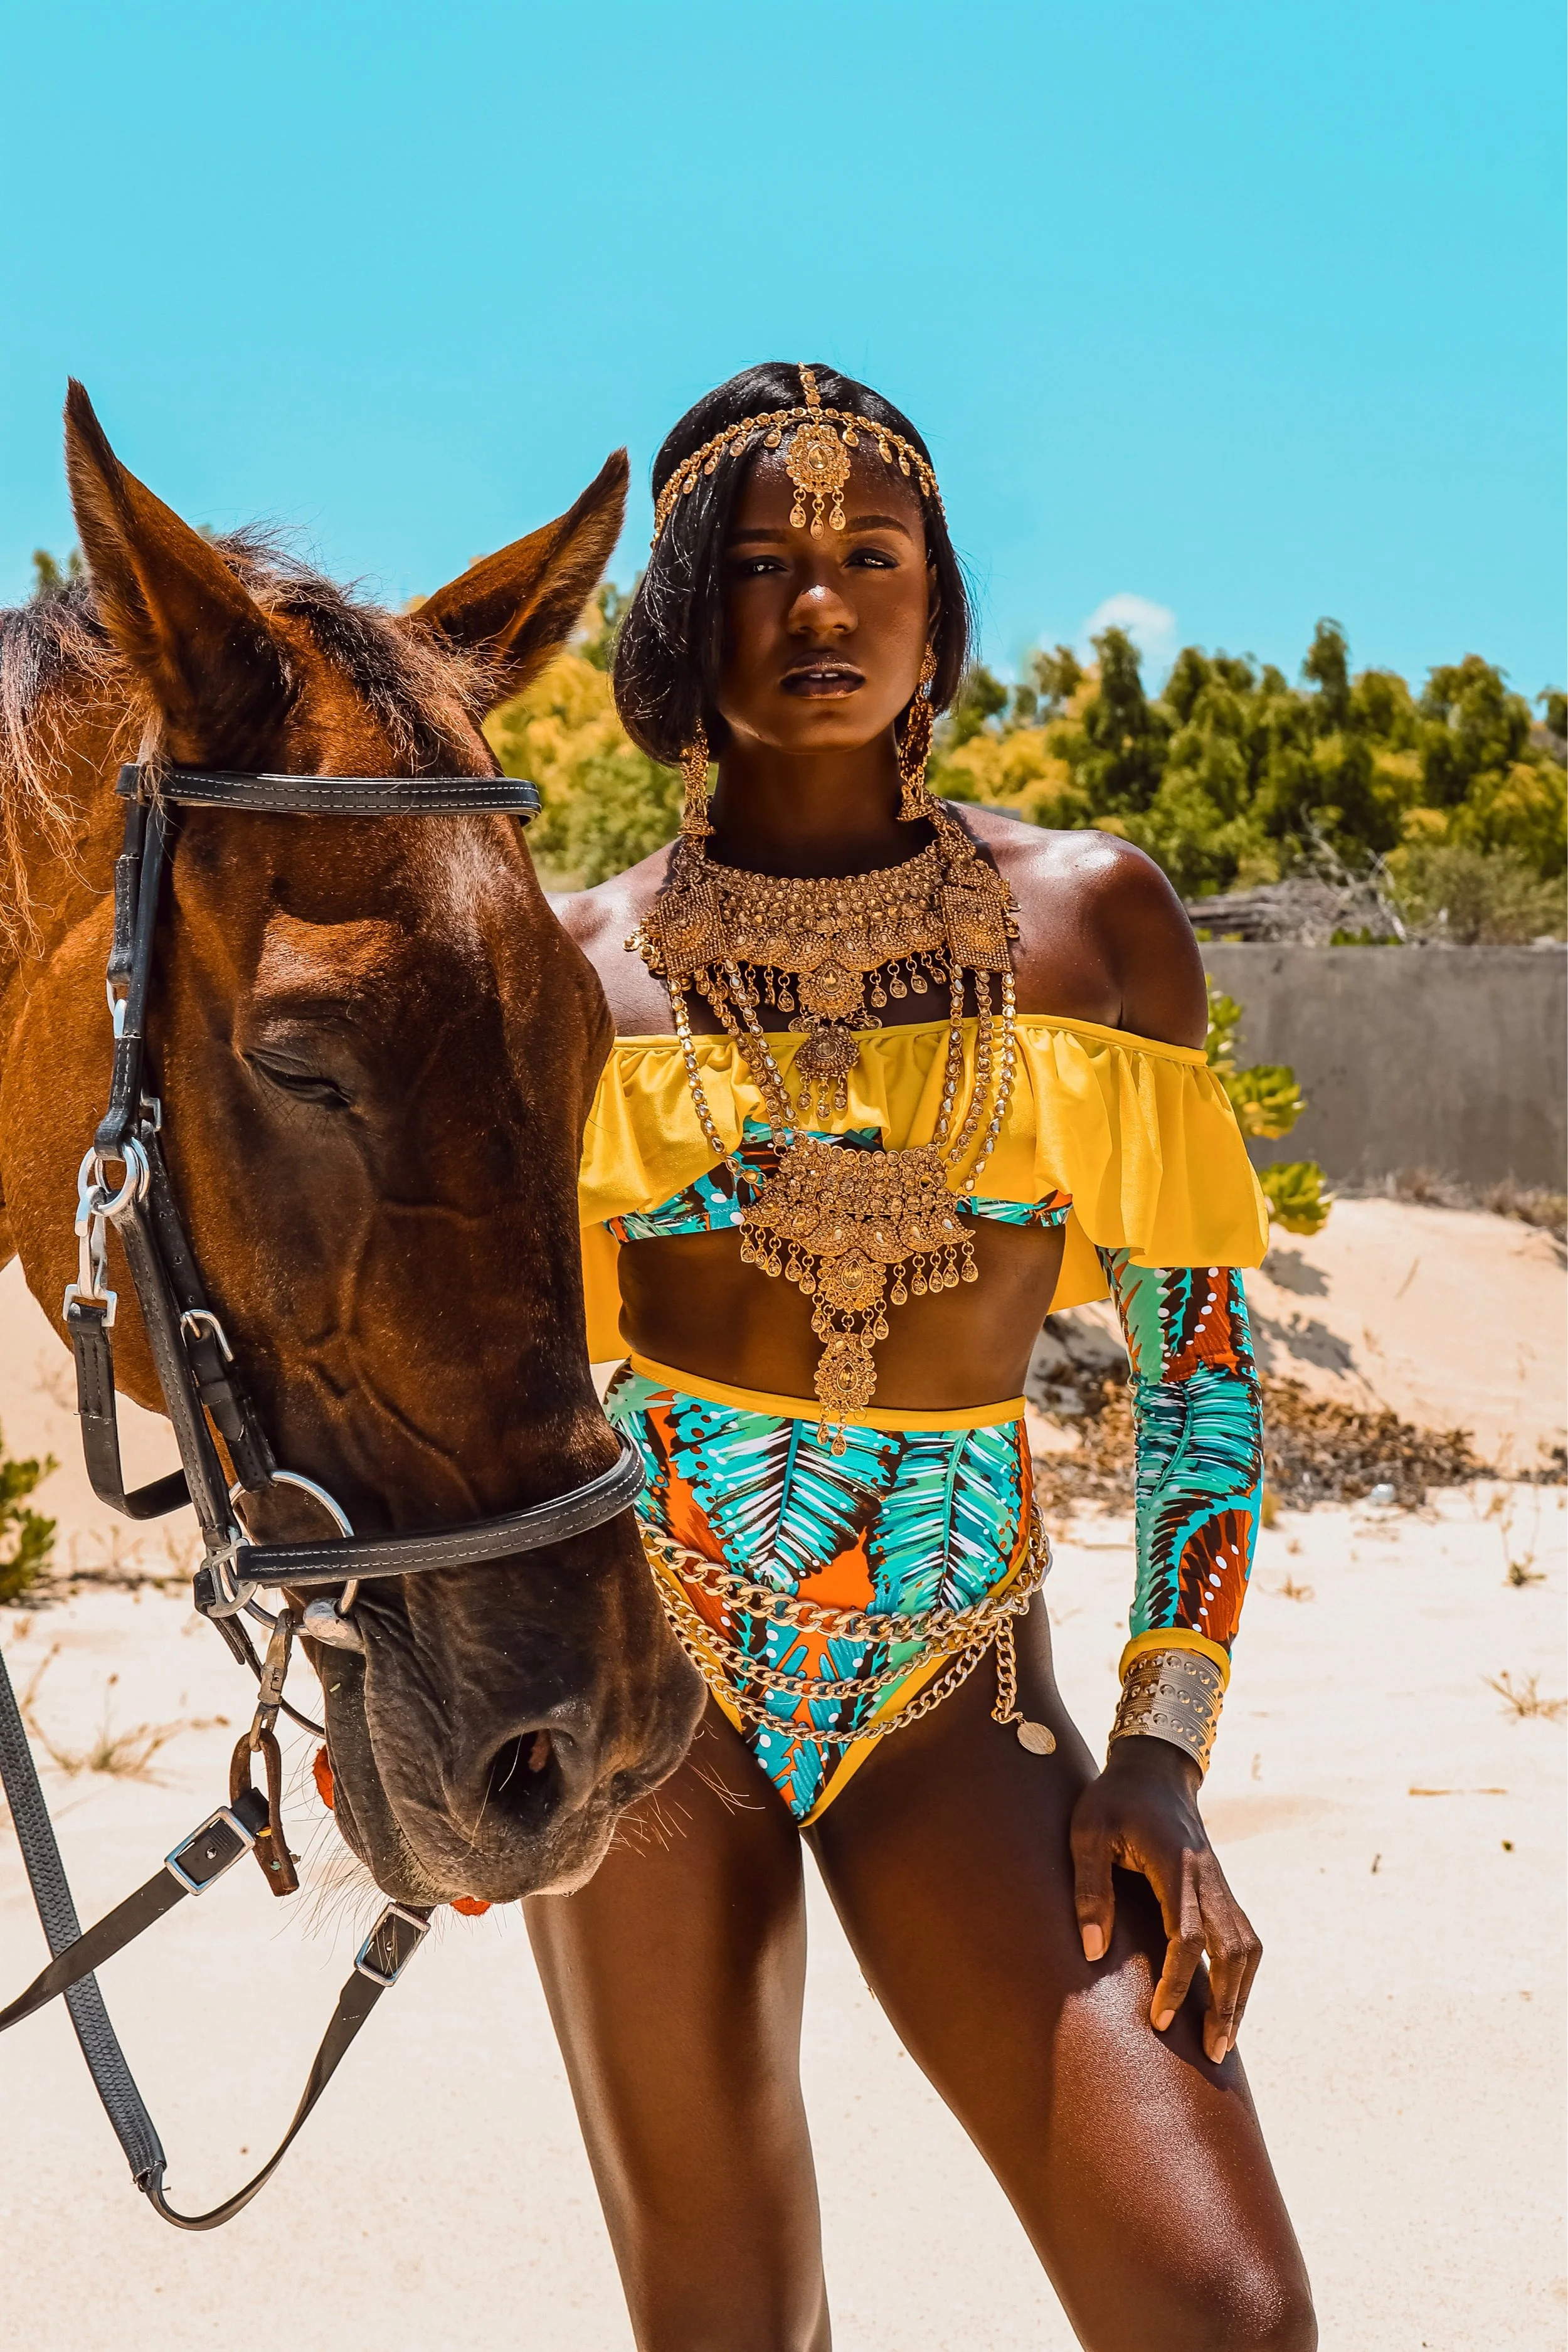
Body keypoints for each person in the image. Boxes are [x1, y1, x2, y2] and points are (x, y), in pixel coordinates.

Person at [530, 362, 1316, 2352]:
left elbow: (1199, 1377)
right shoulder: (575, 967)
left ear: (937, 602)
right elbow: (485, 1384)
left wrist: (1163, 1752)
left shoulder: (1091, 928)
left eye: (871, 556)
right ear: (679, 612)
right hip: (638, 1695)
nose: (820, 604)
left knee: (1219, 2312)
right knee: (726, 2323)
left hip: (958, 1691)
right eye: (757, 565)